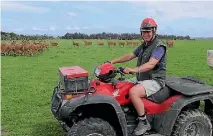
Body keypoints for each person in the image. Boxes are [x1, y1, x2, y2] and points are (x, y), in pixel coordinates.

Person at [109, 18, 167, 135]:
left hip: (155, 80)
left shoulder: (159, 46)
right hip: (142, 78)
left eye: (148, 31)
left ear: (154, 31)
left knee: (133, 92)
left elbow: (151, 64)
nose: (146, 34)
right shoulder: (144, 45)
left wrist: (133, 70)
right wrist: (112, 62)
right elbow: (130, 55)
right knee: (121, 85)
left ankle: (143, 121)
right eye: (143, 32)